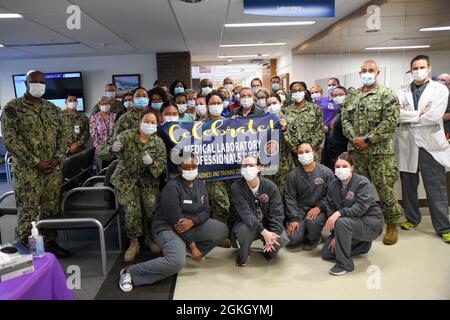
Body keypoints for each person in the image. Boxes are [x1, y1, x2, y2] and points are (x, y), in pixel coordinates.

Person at [118, 155, 228, 292]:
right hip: (167, 227)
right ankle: (130, 272)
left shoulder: (200, 184)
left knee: (222, 229)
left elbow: (206, 210)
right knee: (177, 262)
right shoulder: (172, 187)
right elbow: (177, 222)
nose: (191, 170)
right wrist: (193, 246)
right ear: (179, 168)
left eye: (194, 167)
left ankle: (183, 250)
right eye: (187, 168)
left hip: (190, 224)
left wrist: (193, 221)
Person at [1, 70, 69, 258]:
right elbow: (10, 140)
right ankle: (22, 251)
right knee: (27, 212)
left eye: (41, 81)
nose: (38, 84)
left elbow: (64, 136)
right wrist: (35, 162)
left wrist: (57, 158)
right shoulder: (12, 108)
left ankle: (50, 243)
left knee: (50, 209)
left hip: (52, 170)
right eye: (34, 81)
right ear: (26, 83)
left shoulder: (53, 109)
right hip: (27, 172)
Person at [341, 59, 403, 245]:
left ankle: (392, 224)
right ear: (359, 73)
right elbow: (345, 121)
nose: (367, 73)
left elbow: (390, 121)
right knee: (359, 190)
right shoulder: (352, 97)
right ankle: (361, 222)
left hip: (380, 152)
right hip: (357, 153)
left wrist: (367, 140)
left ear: (377, 73)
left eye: (371, 70)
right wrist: (355, 139)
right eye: (364, 70)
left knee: (385, 189)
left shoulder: (387, 94)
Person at [99, 111, 167, 261]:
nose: (149, 124)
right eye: (146, 121)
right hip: (126, 180)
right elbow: (101, 153)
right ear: (140, 122)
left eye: (152, 122)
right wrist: (112, 149)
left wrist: (153, 163)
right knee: (132, 211)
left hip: (148, 181)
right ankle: (134, 242)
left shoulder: (158, 142)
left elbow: (162, 166)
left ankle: (149, 237)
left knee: (151, 208)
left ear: (157, 125)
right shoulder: (126, 136)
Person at [396, 55, 450, 243]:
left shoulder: (440, 89)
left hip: (430, 145)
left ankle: (444, 226)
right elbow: (397, 115)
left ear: (429, 68)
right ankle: (412, 218)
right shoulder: (402, 90)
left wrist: (409, 116)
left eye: (421, 67)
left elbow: (435, 116)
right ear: (410, 70)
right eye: (414, 68)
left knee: (435, 186)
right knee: (408, 186)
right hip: (407, 143)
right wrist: (419, 113)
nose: (418, 70)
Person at [321, 152, 384, 276]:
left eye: (344, 166)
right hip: (349, 225)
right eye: (337, 167)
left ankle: (344, 264)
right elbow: (331, 211)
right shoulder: (332, 186)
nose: (341, 169)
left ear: (352, 167)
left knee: (342, 221)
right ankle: (363, 244)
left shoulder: (362, 182)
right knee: (327, 253)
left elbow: (361, 208)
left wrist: (340, 212)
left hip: (371, 224)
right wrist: (335, 236)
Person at [230, 155, 289, 266]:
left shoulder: (270, 186)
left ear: (259, 168)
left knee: (281, 239)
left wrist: (274, 234)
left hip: (267, 224)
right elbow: (246, 214)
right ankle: (244, 255)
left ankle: (269, 252)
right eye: (244, 166)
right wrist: (264, 232)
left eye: (251, 165)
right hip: (247, 224)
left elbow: (277, 213)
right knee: (243, 231)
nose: (247, 168)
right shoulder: (236, 187)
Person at [285, 142, 335, 250]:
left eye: (307, 151)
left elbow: (332, 196)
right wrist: (293, 219)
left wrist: (320, 207)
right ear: (297, 155)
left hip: (320, 209)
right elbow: (290, 198)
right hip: (301, 209)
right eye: (301, 152)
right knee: (292, 240)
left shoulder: (326, 172)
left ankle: (314, 238)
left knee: (312, 223)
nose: (304, 154)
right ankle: (304, 230)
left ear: (313, 152)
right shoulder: (293, 175)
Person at [204, 92, 232, 246]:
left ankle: (223, 232)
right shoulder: (199, 124)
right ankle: (218, 234)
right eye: (212, 103)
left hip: (229, 170)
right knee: (221, 203)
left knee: (228, 203)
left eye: (218, 102)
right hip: (211, 171)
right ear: (208, 105)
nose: (215, 105)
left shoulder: (230, 122)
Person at [282, 81, 324, 164]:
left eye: (300, 90)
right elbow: (285, 132)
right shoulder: (286, 111)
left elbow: (320, 131)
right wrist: (294, 149)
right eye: (294, 91)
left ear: (305, 92)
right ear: (291, 93)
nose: (297, 92)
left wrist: (310, 148)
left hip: (311, 152)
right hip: (292, 154)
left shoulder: (315, 109)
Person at [265, 94, 295, 199]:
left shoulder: (289, 120)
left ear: (280, 103)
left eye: (274, 103)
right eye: (269, 104)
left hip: (285, 164)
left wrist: (284, 130)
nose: (272, 106)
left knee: (287, 194)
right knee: (270, 194)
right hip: (268, 165)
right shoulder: (262, 122)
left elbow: (294, 146)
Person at [89, 96, 116, 172]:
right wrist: (102, 143)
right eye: (103, 103)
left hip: (112, 148)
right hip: (100, 149)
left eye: (107, 103)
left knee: (112, 170)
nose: (105, 105)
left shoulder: (115, 116)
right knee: (101, 170)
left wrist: (110, 143)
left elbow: (117, 132)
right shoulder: (94, 117)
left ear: (110, 104)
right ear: (99, 105)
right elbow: (93, 132)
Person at [322, 86, 347, 169]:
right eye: (335, 95)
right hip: (332, 151)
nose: (338, 97)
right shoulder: (337, 112)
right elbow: (332, 129)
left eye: (341, 94)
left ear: (347, 95)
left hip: (343, 152)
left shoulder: (349, 112)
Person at [436, 73, 450, 141]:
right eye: (438, 80)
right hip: (436, 129)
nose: (439, 82)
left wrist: (434, 119)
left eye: (443, 80)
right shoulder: (435, 96)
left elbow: (448, 115)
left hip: (446, 129)